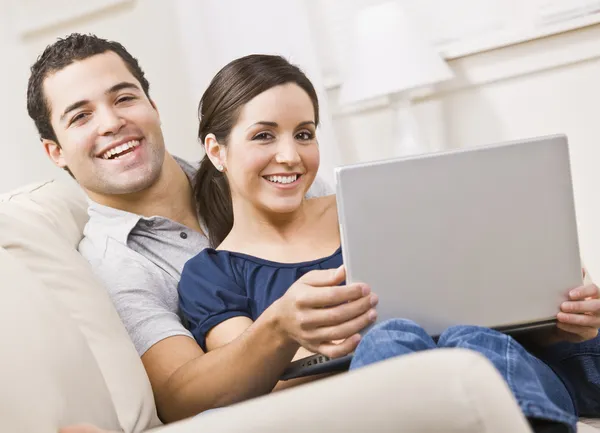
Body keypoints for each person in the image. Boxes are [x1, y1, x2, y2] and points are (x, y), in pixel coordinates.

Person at [176, 53, 600, 433]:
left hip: (500, 375)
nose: (290, 155)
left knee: (469, 338)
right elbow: (257, 383)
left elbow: (487, 307)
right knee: (391, 338)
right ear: (217, 151)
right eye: (264, 136)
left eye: (304, 134)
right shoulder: (211, 275)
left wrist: (559, 315)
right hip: (386, 400)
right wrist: (313, 336)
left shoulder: (379, 208)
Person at [25, 32, 343, 428]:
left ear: (153, 106)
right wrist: (281, 329)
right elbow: (179, 396)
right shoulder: (115, 266)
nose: (112, 122)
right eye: (81, 116)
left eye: (124, 98)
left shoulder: (267, 169)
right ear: (55, 151)